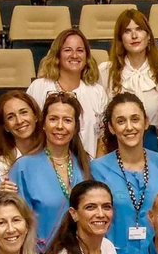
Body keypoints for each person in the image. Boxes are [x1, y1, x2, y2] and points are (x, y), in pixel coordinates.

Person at [93, 92, 158, 253]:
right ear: (111, 127)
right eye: (121, 121)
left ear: (146, 122)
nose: (129, 127)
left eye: (135, 119)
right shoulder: (98, 169)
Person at [10, 91, 92, 251]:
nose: (60, 126)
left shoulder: (86, 165)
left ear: (76, 127)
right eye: (53, 119)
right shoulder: (24, 167)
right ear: (43, 124)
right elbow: (15, 220)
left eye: (67, 120)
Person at [27, 27, 108, 157]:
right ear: (57, 55)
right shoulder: (38, 87)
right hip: (44, 166)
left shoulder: (97, 92)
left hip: (87, 169)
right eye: (67, 50)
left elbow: (102, 139)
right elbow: (29, 132)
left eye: (80, 51)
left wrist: (95, 172)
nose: (74, 55)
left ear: (86, 56)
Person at [100, 9, 158, 152]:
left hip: (150, 143)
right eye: (127, 31)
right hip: (115, 143)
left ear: (148, 36)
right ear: (120, 39)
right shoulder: (106, 71)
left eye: (139, 29)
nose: (134, 35)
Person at [0, 90, 43, 183]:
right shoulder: (0, 166)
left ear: (35, 116)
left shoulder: (53, 155)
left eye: (24, 112)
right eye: (10, 117)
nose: (19, 121)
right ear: (5, 126)